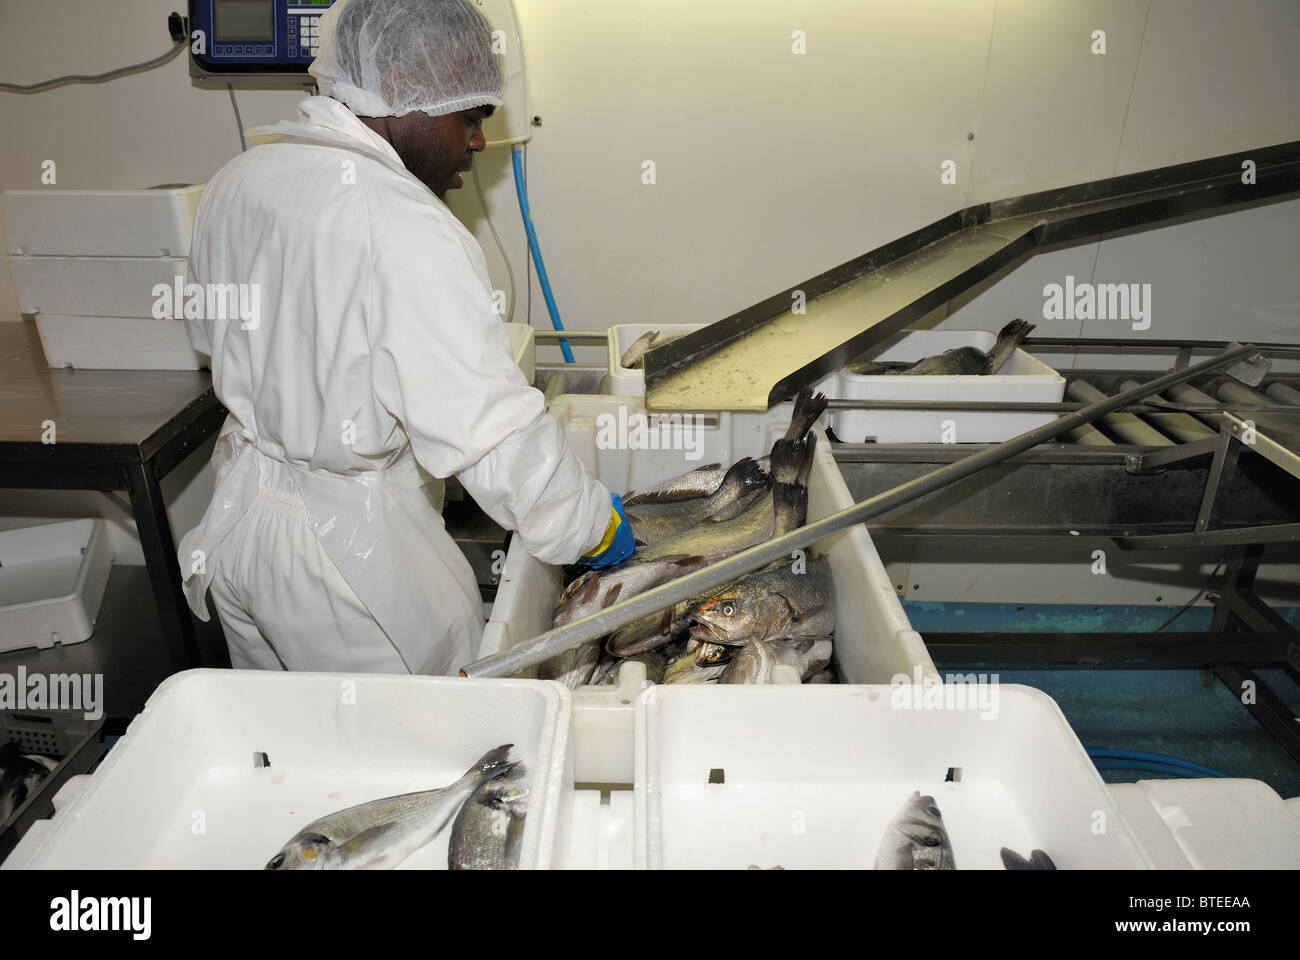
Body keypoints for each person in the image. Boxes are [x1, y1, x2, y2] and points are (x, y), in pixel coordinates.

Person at [177, 0, 634, 676]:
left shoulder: (237, 181)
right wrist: (592, 524)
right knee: (407, 751)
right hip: (343, 564)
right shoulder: (408, 229)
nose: (477, 143)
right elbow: (495, 437)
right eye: (469, 118)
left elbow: (215, 339)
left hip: (238, 524)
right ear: (403, 95)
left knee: (285, 750)